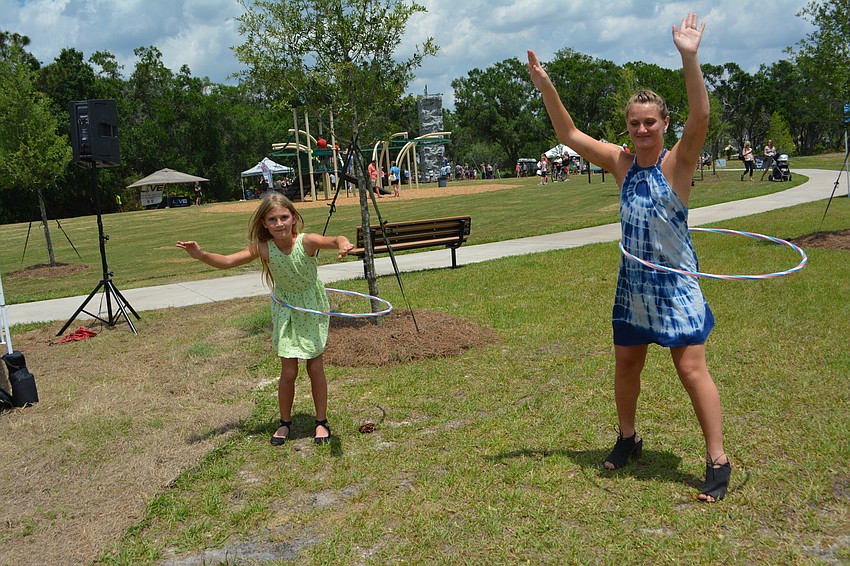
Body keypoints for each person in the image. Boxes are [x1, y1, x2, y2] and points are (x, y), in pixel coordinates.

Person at [528, 12, 731, 502]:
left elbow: (701, 117)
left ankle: (718, 460)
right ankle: (627, 438)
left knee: (691, 370)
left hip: (676, 282)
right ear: (628, 126)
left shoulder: (677, 163)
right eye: (635, 123)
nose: (642, 129)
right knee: (626, 364)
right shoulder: (621, 163)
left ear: (664, 124)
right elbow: (568, 135)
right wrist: (546, 87)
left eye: (650, 122)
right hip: (633, 284)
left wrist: (689, 56)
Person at [176, 193, 354, 446]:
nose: (279, 223)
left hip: (311, 307)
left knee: (315, 368)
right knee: (288, 371)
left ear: (294, 218)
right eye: (272, 219)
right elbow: (227, 261)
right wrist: (201, 254)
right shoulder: (264, 248)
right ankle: (285, 423)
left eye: (284, 217)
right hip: (286, 309)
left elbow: (335, 239)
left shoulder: (307, 241)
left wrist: (343, 244)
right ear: (264, 223)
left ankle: (321, 422)